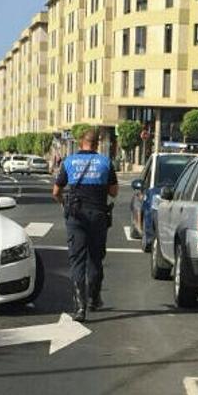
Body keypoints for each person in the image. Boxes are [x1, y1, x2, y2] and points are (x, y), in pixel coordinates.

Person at [52, 129, 118, 322]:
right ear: (97, 144)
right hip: (98, 216)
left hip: (76, 216)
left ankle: (80, 308)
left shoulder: (69, 162)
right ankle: (93, 299)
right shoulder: (106, 162)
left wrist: (64, 204)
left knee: (77, 261)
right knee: (96, 259)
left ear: (81, 143)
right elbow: (113, 192)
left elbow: (56, 191)